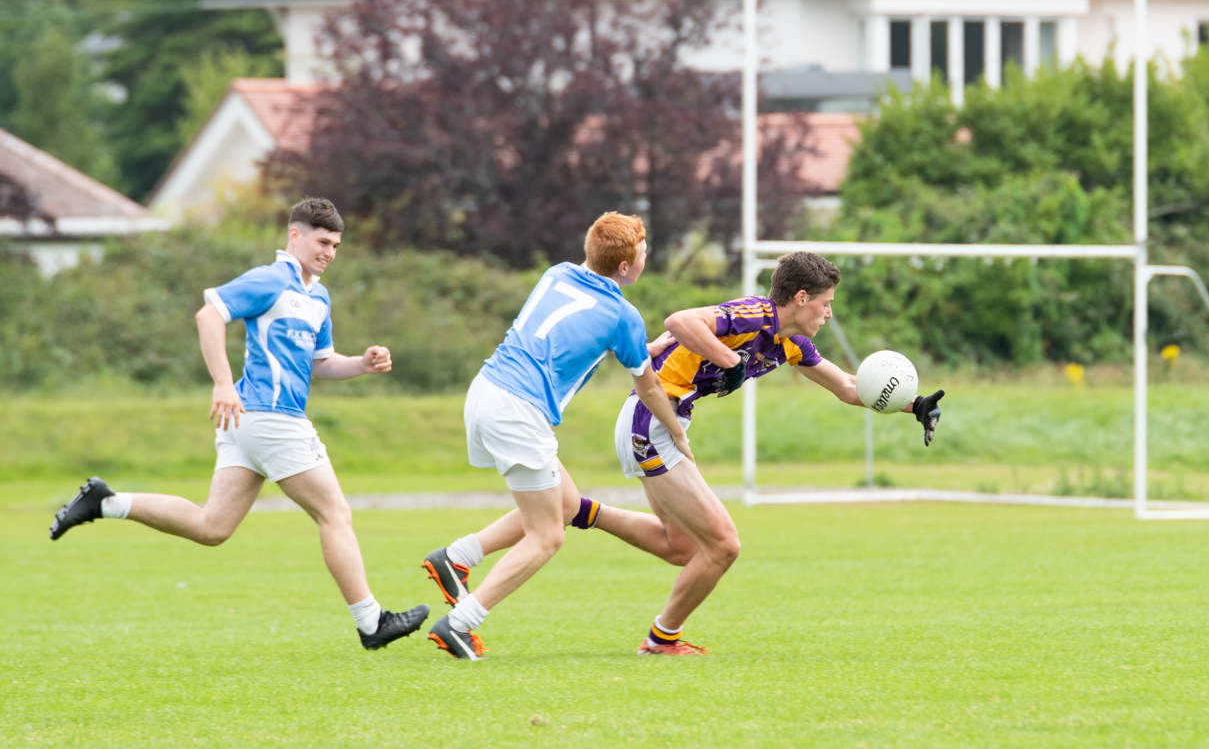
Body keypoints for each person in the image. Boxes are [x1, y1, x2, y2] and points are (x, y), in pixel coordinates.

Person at [426, 251, 944, 656]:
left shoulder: (791, 345)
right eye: (826, 303)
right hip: (653, 420)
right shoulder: (753, 315)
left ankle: (581, 511)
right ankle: (662, 639)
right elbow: (679, 320)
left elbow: (851, 388)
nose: (829, 313)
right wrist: (727, 358)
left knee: (681, 547)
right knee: (723, 545)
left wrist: (911, 403)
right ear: (802, 296)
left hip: (661, 423)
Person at [49, 198, 430, 650]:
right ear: (295, 235)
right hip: (271, 420)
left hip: (250, 423)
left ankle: (107, 502)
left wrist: (362, 364)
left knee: (213, 527)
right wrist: (222, 383)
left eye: (336, 245)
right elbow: (208, 315)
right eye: (322, 241)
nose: (329, 252)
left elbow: (321, 363)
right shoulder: (271, 279)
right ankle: (372, 623)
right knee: (335, 514)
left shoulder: (318, 297)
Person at [420, 211, 693, 660]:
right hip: (518, 411)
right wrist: (675, 432)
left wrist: (643, 349)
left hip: (486, 389)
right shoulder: (624, 315)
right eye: (643, 253)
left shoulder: (558, 273)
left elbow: (575, 335)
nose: (647, 258)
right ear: (625, 268)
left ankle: (456, 557)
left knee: (565, 505)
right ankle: (459, 625)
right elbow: (648, 386)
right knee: (547, 536)